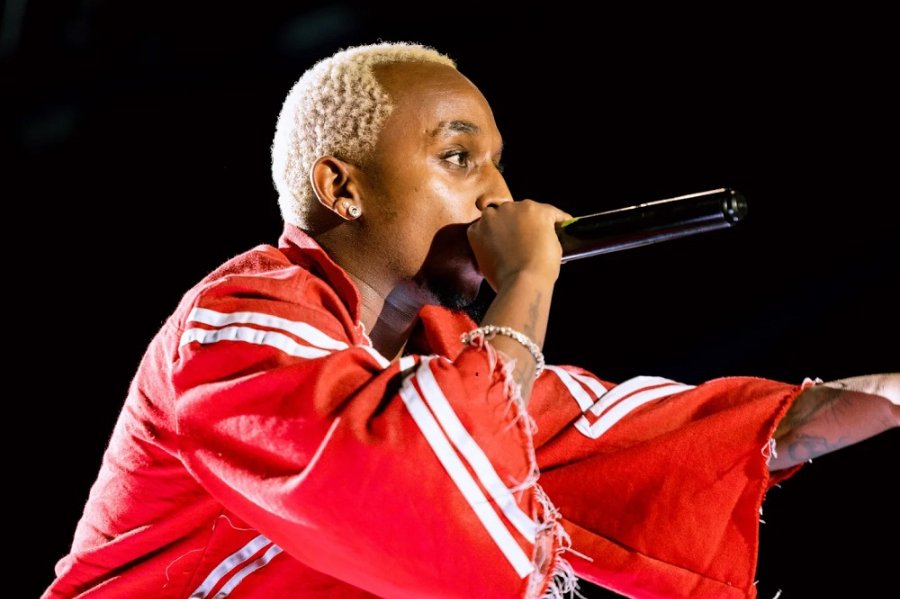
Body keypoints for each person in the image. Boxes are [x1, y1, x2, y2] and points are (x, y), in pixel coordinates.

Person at [43, 42, 898, 599]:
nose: (499, 195)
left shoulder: (450, 362)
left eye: (497, 163)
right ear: (342, 187)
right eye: (458, 158)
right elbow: (417, 479)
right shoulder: (238, 326)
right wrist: (527, 278)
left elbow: (694, 437)